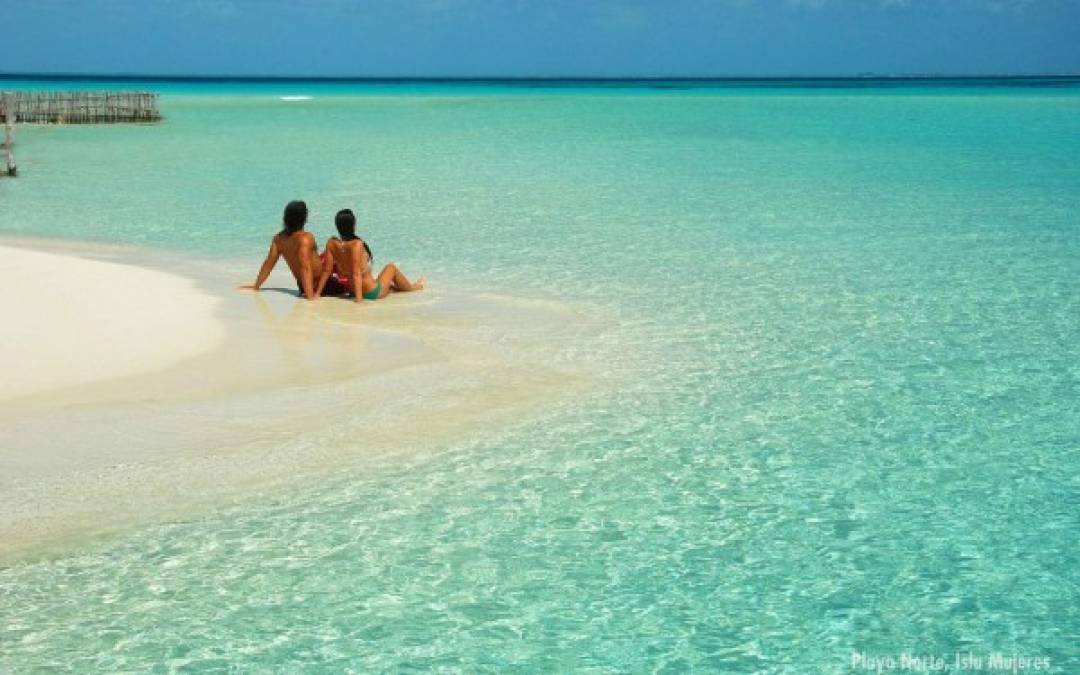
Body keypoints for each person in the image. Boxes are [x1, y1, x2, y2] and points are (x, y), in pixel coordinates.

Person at [240, 200, 346, 299]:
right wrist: (310, 297)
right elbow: (305, 267)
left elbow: (268, 265)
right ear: (304, 219)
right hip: (321, 285)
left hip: (302, 285)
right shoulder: (305, 238)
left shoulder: (278, 239)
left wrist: (256, 286)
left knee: (326, 256)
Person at [317, 208, 425, 302]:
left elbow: (327, 271)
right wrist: (359, 301)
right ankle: (413, 288)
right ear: (353, 225)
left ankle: (400, 288)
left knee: (390, 287)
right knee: (391, 268)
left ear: (337, 226)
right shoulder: (356, 244)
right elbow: (356, 273)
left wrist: (317, 293)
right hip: (370, 293)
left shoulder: (331, 243)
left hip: (354, 291)